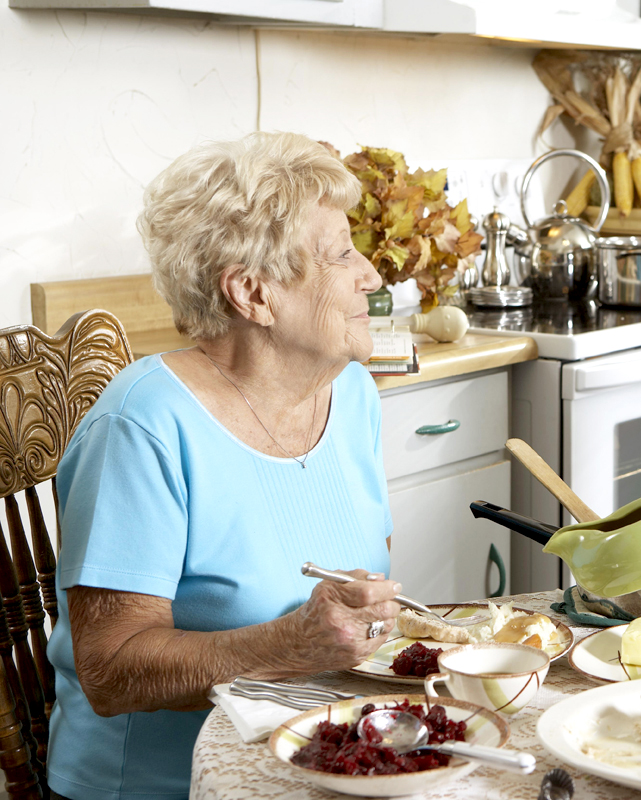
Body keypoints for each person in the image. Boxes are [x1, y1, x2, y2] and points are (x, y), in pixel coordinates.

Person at [46, 132, 403, 800]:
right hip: (167, 787)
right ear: (252, 292)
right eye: (341, 255)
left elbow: (362, 600)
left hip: (316, 764)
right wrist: (288, 645)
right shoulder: (144, 426)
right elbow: (111, 672)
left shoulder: (352, 394)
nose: (372, 275)